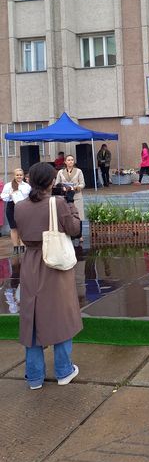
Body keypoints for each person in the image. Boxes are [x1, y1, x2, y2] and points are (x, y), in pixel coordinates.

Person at [14, 162, 82, 390]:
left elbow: (22, 233)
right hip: (54, 262)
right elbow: (74, 229)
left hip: (31, 261)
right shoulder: (58, 203)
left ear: (30, 180)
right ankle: (64, 370)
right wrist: (70, 204)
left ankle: (34, 377)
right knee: (60, 314)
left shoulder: (19, 206)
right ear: (52, 181)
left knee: (31, 316)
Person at [55, 155, 85, 244]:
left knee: (79, 216)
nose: (70, 161)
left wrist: (75, 187)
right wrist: (62, 188)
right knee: (67, 215)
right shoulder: (60, 172)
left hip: (76, 196)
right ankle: (69, 234)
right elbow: (57, 184)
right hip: (65, 197)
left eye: (72, 160)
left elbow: (82, 184)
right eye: (68, 160)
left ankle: (79, 235)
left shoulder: (79, 171)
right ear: (65, 162)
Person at [1, 168, 31, 254]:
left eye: (21, 175)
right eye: (17, 175)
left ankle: (22, 246)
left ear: (23, 176)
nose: (19, 176)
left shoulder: (27, 186)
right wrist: (9, 194)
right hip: (11, 207)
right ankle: (15, 247)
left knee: (22, 227)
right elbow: (2, 196)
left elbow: (30, 196)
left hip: (23, 207)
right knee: (13, 228)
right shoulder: (8, 185)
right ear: (14, 176)